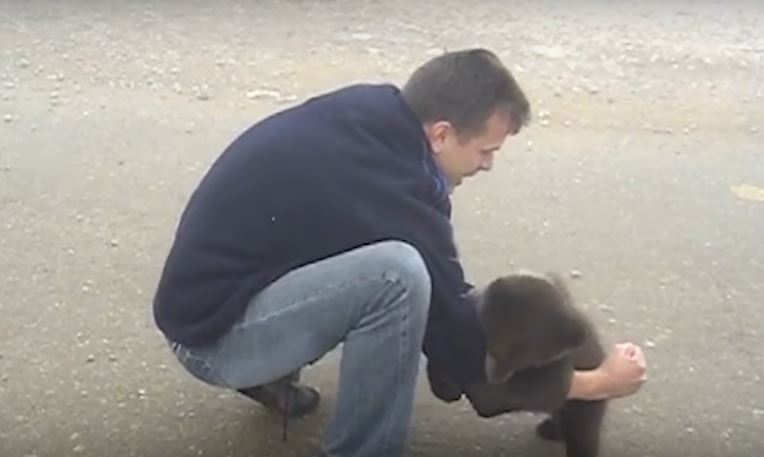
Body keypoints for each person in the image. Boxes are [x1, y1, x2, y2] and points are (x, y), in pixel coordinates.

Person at [152, 48, 647, 457]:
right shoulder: (398, 192)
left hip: (214, 302)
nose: (489, 165)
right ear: (442, 134)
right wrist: (594, 383)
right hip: (214, 341)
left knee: (370, 259)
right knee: (397, 276)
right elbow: (463, 356)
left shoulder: (373, 114)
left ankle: (271, 374)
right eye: (485, 151)